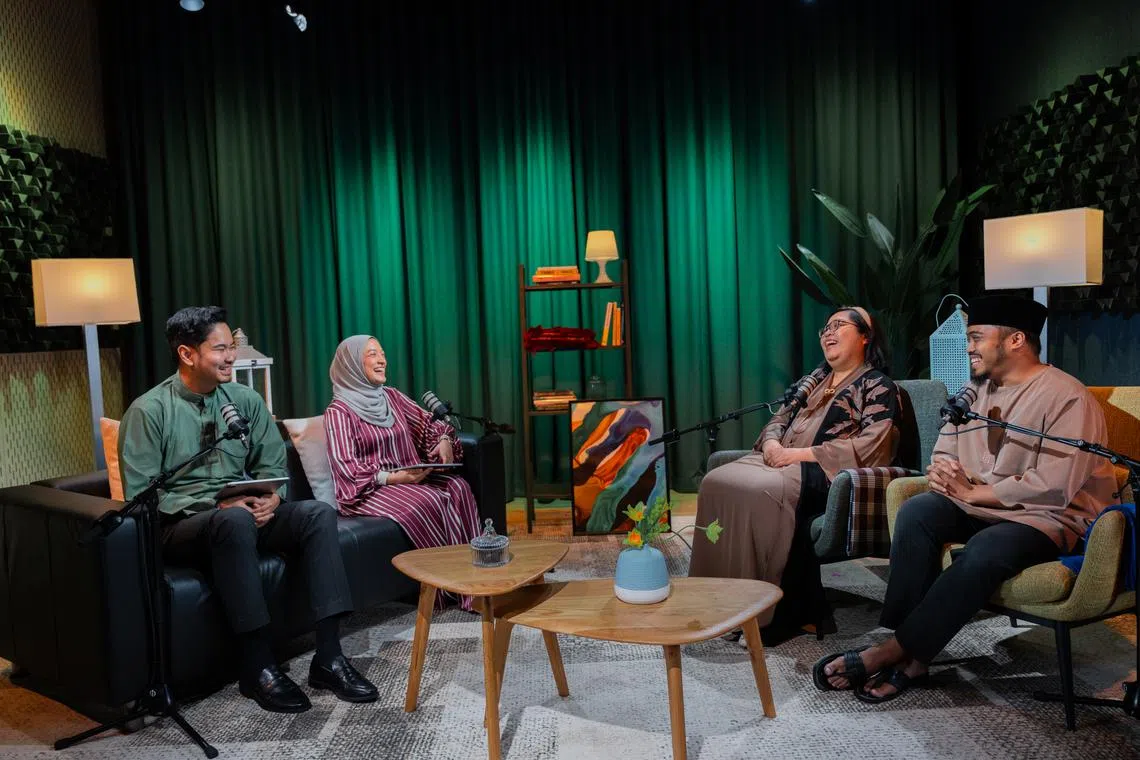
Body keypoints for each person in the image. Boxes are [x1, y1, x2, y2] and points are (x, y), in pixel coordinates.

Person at [815, 294, 1118, 703]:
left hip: (1046, 517)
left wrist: (976, 491)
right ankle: (905, 644)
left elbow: (1055, 484)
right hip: (979, 505)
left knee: (985, 549)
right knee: (918, 511)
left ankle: (893, 652)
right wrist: (943, 472)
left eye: (976, 337)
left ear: (1015, 340)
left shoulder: (1067, 396)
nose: (968, 347)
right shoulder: (973, 392)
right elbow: (945, 449)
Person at [119, 306, 377, 714]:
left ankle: (329, 657)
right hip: (179, 525)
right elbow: (143, 495)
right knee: (234, 518)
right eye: (220, 349)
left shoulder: (244, 400)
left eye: (231, 347)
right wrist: (217, 504)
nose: (231, 357)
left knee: (317, 514)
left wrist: (272, 495)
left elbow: (271, 465)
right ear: (187, 354)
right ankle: (257, 666)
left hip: (242, 513)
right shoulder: (149, 411)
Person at [689, 306, 905, 644]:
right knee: (715, 481)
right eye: (825, 328)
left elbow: (874, 444)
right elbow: (778, 419)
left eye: (838, 325)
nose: (828, 333)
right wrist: (772, 444)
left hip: (824, 473)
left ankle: (762, 612)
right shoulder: (813, 383)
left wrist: (797, 455)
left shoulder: (877, 385)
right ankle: (717, 602)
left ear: (865, 336)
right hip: (780, 460)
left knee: (762, 489)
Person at [324, 335, 481, 610]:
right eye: (372, 354)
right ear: (351, 364)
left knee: (458, 487)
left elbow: (428, 423)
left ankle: (478, 578)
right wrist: (394, 477)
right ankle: (449, 588)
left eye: (382, 353)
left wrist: (443, 440)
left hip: (409, 478)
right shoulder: (338, 412)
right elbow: (346, 468)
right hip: (369, 489)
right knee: (430, 500)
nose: (382, 360)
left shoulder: (392, 397)